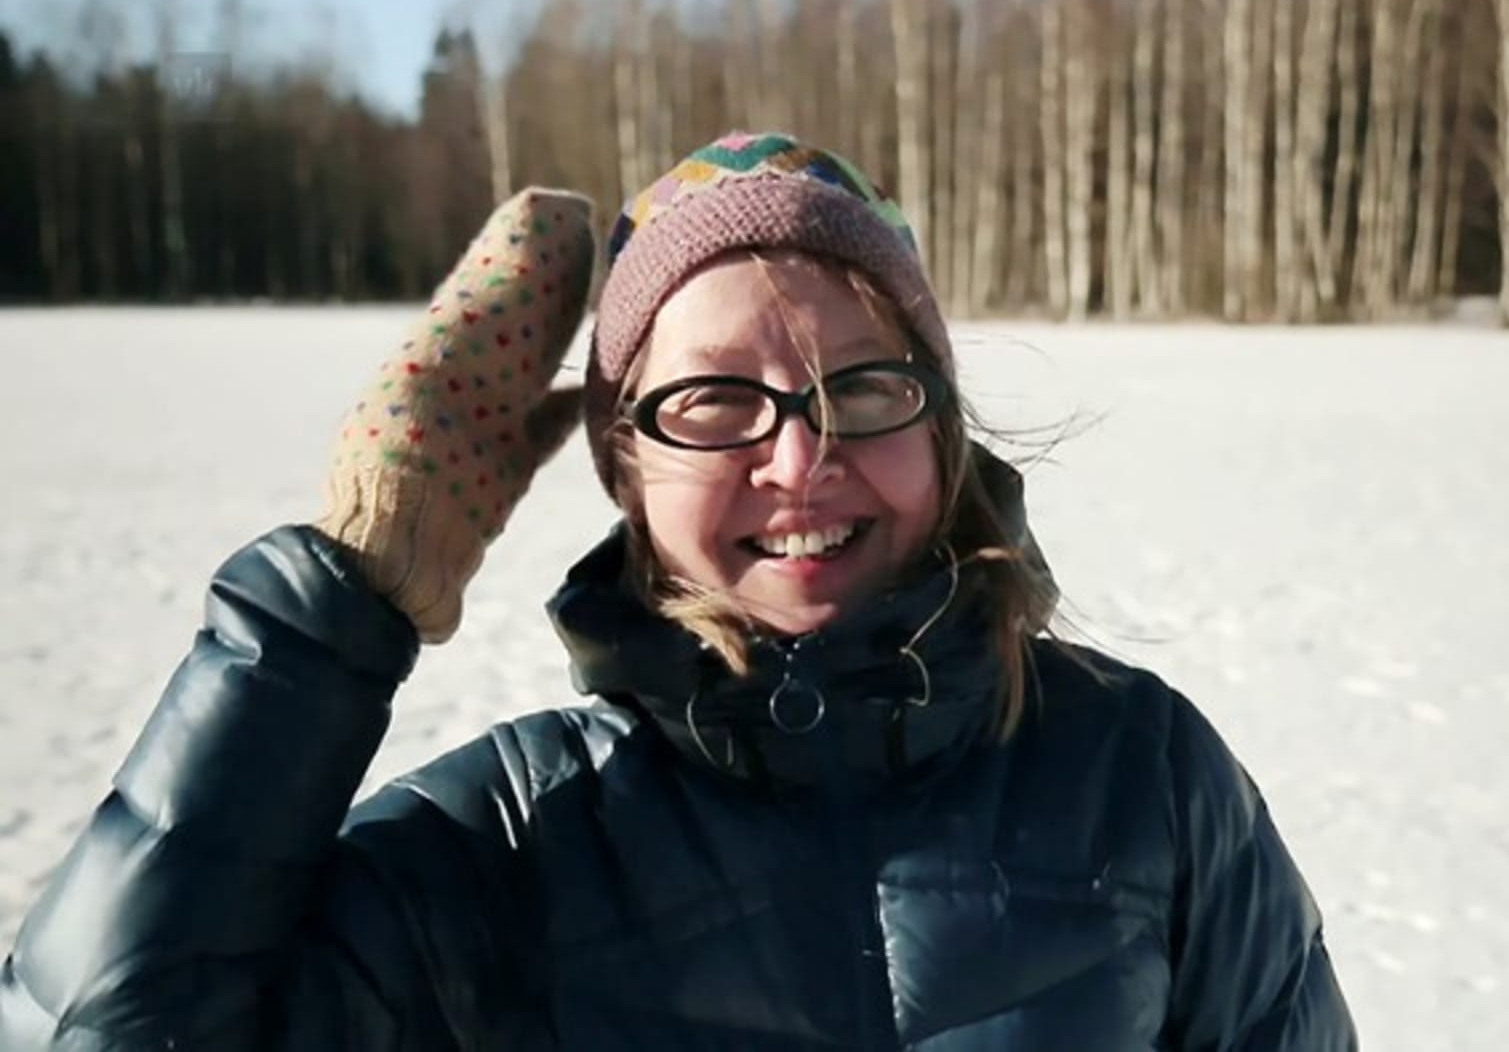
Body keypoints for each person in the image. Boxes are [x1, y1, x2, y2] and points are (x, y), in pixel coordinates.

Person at [0, 133, 1356, 1049]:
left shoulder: (1142, 775)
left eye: (863, 388)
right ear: (624, 463)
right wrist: (340, 599)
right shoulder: (508, 845)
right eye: (713, 402)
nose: (801, 459)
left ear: (940, 426)